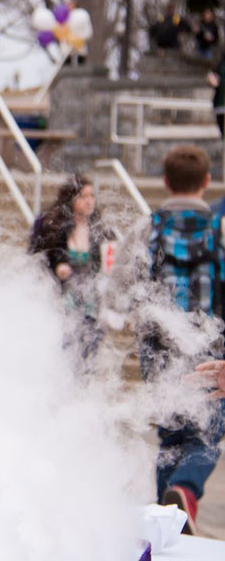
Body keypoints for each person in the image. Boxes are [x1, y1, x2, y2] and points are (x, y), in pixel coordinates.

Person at [142, 145, 225, 535]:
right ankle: (185, 492)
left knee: (170, 436)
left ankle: (165, 521)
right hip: (210, 352)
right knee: (204, 433)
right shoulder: (219, 227)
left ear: (164, 181)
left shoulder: (148, 226)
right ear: (207, 181)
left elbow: (125, 289)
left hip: (159, 351)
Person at [27, 175, 115, 362]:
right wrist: (56, 269)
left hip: (91, 302)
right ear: (70, 199)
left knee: (87, 354)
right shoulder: (52, 227)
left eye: (92, 196)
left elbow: (109, 265)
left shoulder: (102, 231)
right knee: (63, 352)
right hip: (62, 300)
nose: (89, 201)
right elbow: (35, 259)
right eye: (83, 196)